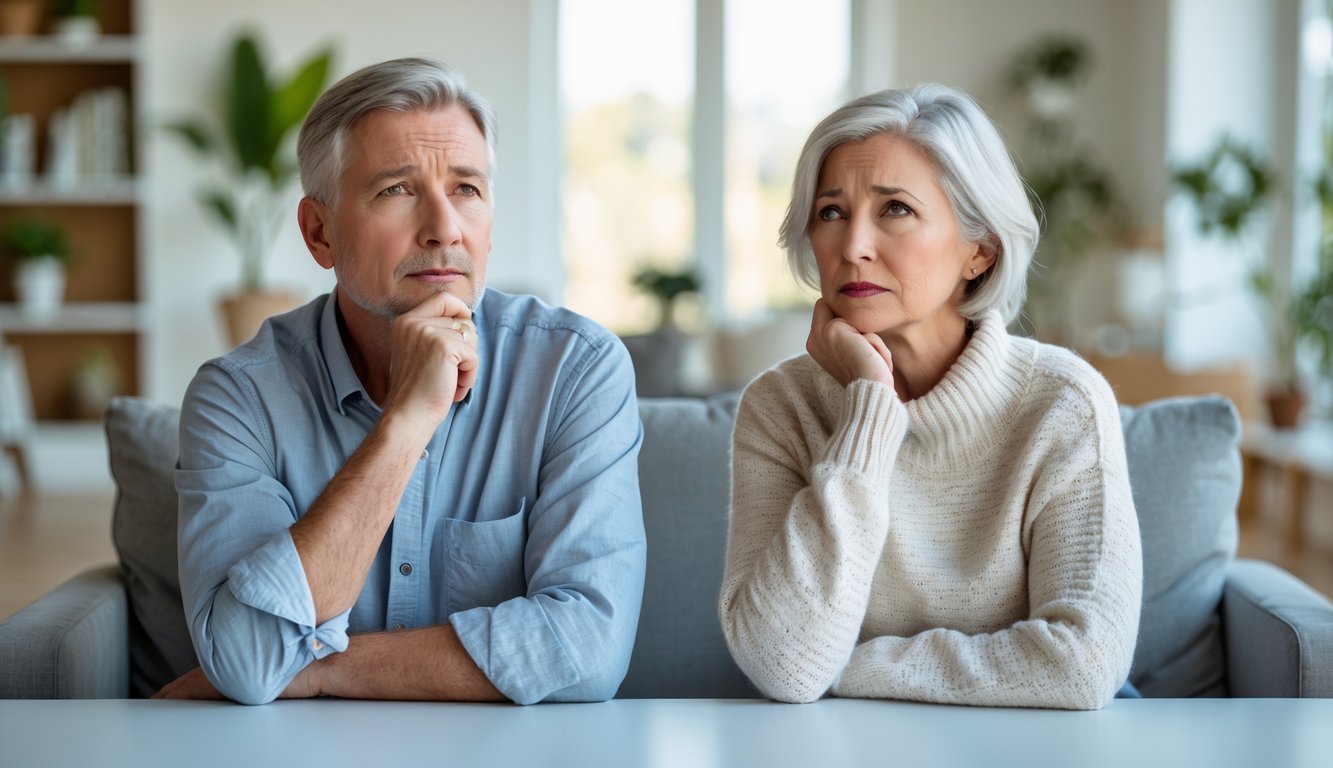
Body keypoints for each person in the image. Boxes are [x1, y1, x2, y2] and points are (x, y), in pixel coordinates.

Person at [159, 58, 646, 705]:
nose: (445, 228)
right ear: (318, 231)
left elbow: (588, 651)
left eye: (467, 188)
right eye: (398, 189)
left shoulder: (574, 369)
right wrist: (405, 424)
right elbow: (248, 657)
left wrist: (316, 669)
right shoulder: (239, 396)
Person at [716, 83, 1142, 710]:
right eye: (832, 212)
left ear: (980, 251)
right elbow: (780, 667)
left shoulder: (1063, 403)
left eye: (895, 210)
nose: (853, 245)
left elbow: (1082, 664)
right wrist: (869, 409)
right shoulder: (779, 408)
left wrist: (849, 667)